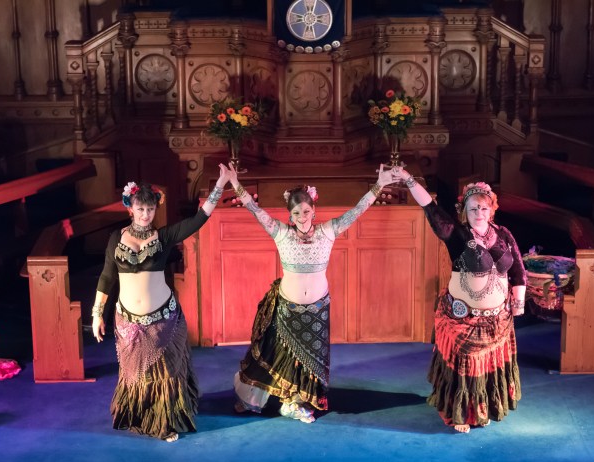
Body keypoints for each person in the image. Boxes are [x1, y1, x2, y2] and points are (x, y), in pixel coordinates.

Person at [221, 162, 396, 423]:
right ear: (289, 215)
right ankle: (255, 398)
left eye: (305, 211)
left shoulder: (328, 231)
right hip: (287, 309)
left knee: (308, 361)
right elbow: (254, 209)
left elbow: (357, 211)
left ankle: (296, 402)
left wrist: (379, 185)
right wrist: (235, 183)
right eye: (296, 213)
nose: (301, 216)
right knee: (274, 355)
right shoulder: (281, 233)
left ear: (313, 210)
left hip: (316, 311)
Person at [91, 168, 230, 442]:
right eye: (141, 209)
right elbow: (107, 277)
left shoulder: (164, 236)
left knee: (165, 373)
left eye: (150, 209)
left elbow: (200, 218)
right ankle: (139, 416)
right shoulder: (116, 238)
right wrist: (97, 313)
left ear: (156, 209)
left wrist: (222, 183)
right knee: (136, 373)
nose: (146, 215)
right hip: (128, 321)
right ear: (130, 208)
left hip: (163, 319)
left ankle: (165, 421)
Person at [393, 167, 526, 433]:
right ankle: (461, 413)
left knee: (488, 366)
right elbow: (430, 208)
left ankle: (486, 407)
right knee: (466, 368)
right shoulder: (456, 234)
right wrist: (408, 179)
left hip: (498, 319)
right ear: (464, 210)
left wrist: (519, 301)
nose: (479, 213)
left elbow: (518, 271)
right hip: (463, 319)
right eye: (473, 208)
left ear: (492, 210)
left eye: (484, 208)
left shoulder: (504, 234)